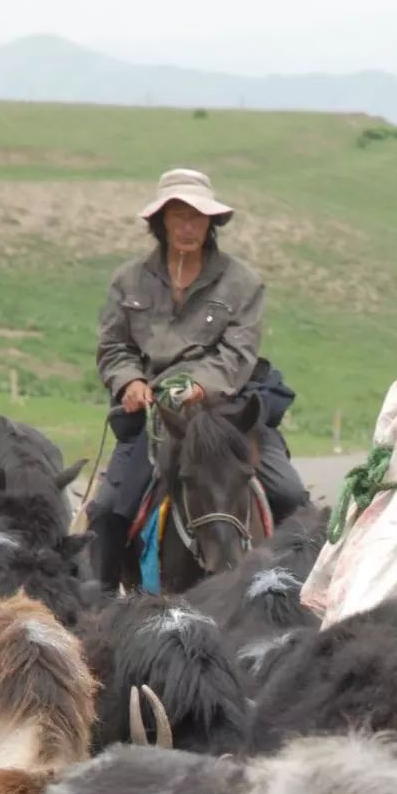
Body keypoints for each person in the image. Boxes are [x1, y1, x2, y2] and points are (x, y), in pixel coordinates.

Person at [90, 167, 308, 591]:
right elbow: (114, 346)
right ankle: (100, 604)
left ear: (212, 222)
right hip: (158, 414)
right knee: (108, 510)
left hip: (226, 412)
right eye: (178, 216)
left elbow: (238, 353)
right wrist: (129, 382)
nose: (187, 227)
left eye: (197, 217)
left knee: (289, 496)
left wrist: (199, 385)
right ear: (161, 221)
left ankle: (295, 596)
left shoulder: (243, 282)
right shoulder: (128, 279)